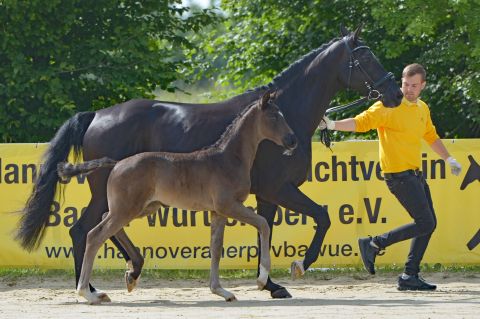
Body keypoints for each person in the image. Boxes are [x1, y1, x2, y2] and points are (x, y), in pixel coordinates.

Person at [320, 63, 462, 291]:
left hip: (415, 174)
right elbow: (361, 122)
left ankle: (409, 276)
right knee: (425, 222)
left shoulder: (422, 108)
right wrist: (333, 124)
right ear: (401, 82)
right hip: (398, 176)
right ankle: (375, 243)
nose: (409, 90)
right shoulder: (389, 104)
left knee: (428, 224)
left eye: (414, 86)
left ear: (423, 85)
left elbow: (430, 135)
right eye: (406, 84)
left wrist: (448, 158)